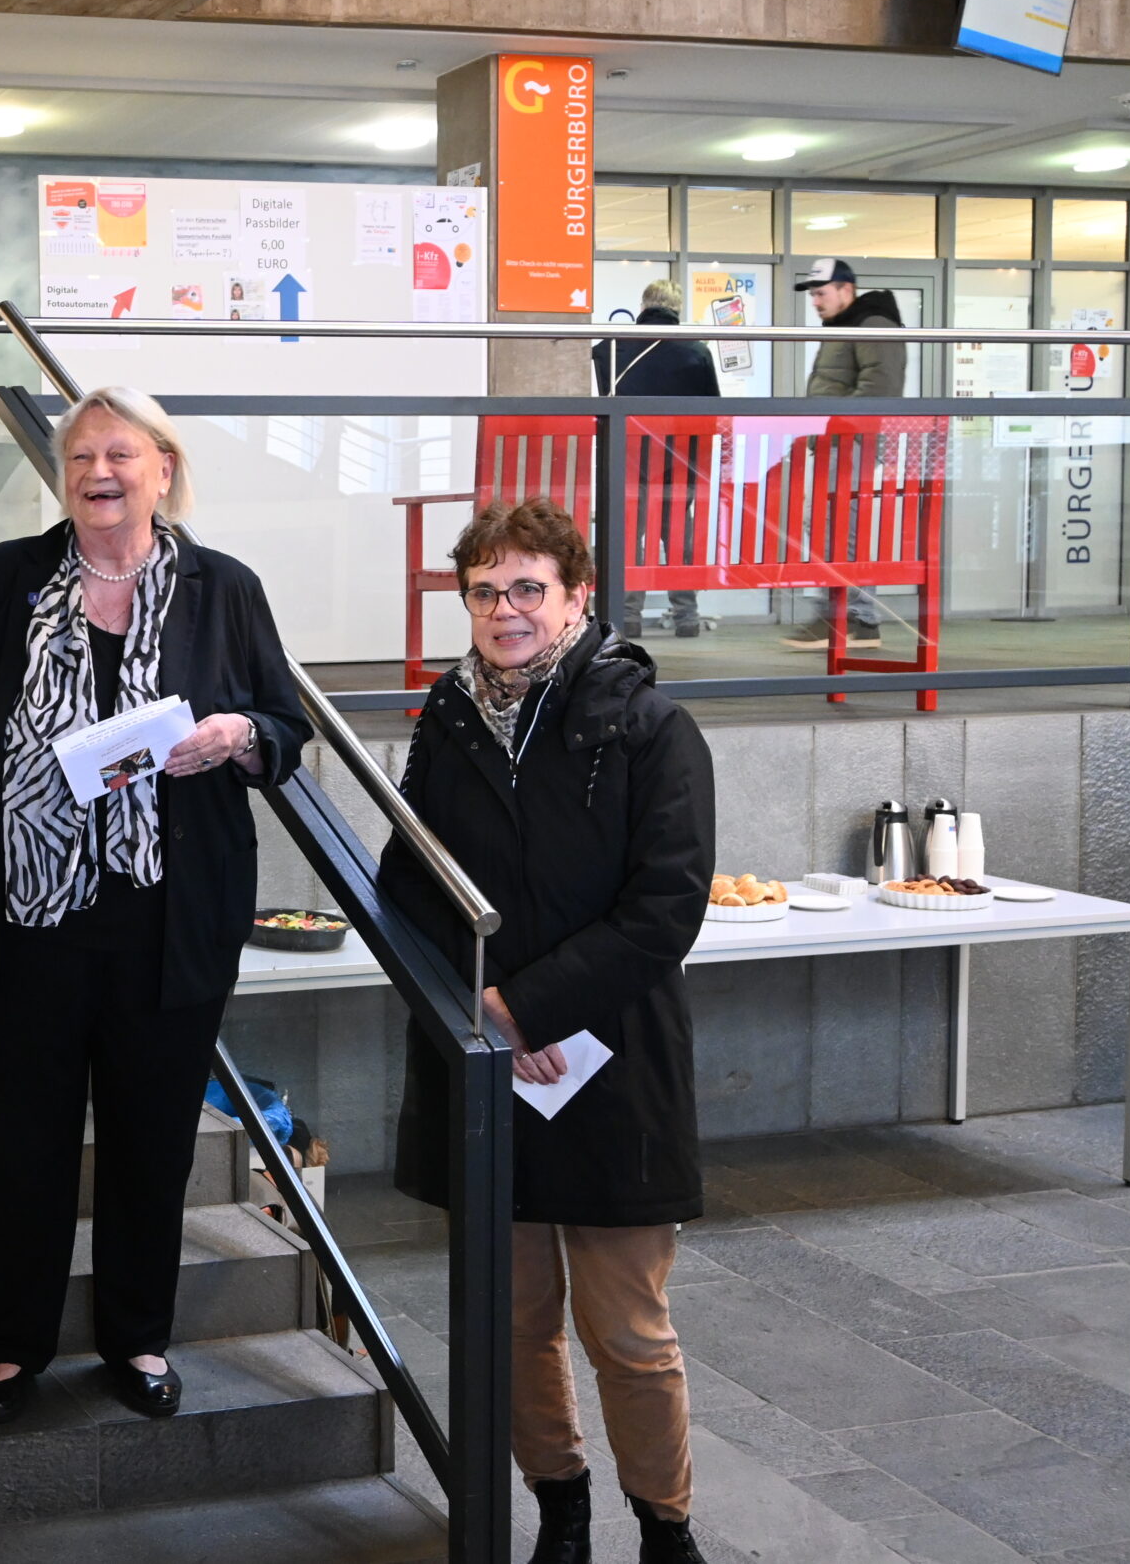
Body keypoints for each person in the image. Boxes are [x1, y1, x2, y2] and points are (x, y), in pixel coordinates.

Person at [0, 386, 307, 1426]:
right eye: (81, 454)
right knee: (17, 1138)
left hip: (167, 914)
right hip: (29, 912)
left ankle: (137, 1338)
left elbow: (285, 723)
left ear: (162, 469)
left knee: (150, 1140)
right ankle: (12, 1345)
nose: (99, 471)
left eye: (120, 454)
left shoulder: (223, 590)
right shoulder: (7, 578)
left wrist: (234, 736)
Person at [380, 497, 716, 1564]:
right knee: (515, 1325)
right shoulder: (446, 721)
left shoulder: (650, 726)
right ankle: (558, 1509)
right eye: (483, 592)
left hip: (611, 1071)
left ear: (576, 595)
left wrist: (525, 1006)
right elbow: (409, 882)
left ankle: (666, 1528)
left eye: (528, 588)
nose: (504, 610)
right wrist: (480, 1010)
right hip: (494, 1078)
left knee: (627, 1332)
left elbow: (666, 907)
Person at [592, 279, 721, 643]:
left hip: (627, 457)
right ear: (676, 309)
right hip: (679, 460)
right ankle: (687, 616)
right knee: (678, 534)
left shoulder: (610, 348)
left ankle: (627, 616)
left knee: (630, 535)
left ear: (644, 304)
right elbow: (712, 413)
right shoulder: (695, 351)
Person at [791, 257, 905, 650]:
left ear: (846, 290)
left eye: (821, 293)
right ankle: (839, 613)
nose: (816, 302)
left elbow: (879, 389)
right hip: (836, 443)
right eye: (813, 295)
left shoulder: (872, 326)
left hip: (851, 443)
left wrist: (839, 433)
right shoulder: (846, 327)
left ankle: (854, 617)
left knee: (842, 530)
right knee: (827, 528)